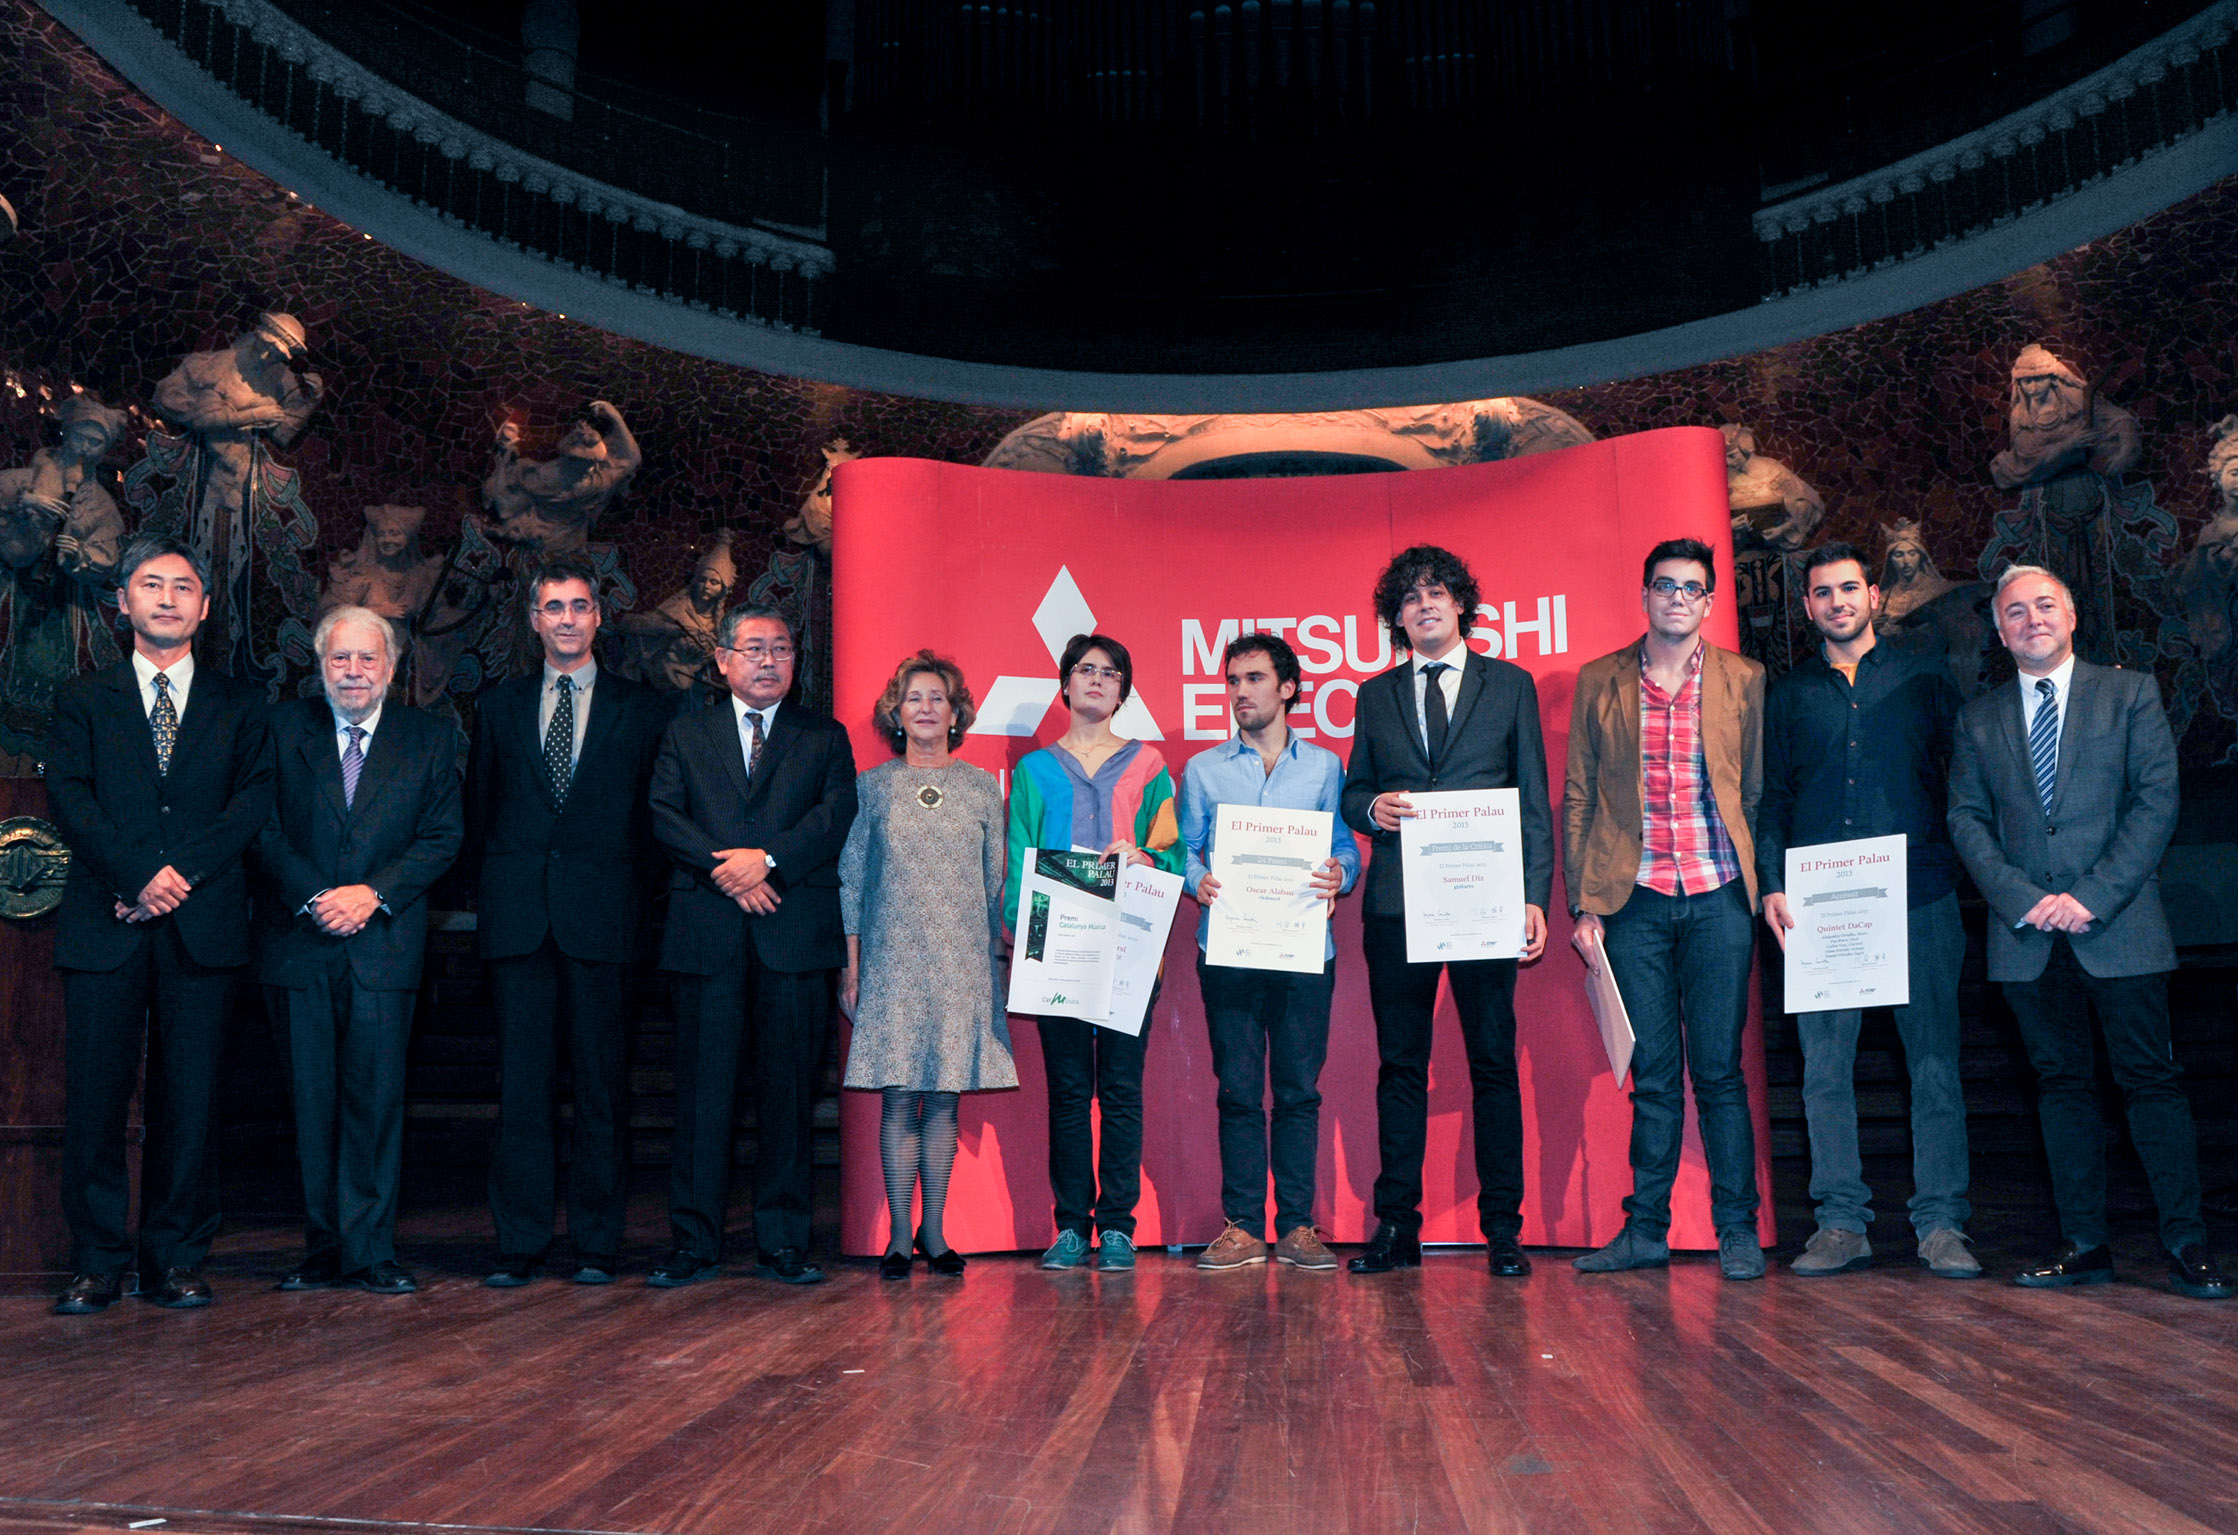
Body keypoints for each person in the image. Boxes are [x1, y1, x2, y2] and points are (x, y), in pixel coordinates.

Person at [1947, 565, 2230, 1300]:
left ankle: (2188, 1244)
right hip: (2027, 935)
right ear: (2000, 630)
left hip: (2122, 927)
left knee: (2152, 1084)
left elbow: (2155, 803)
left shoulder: (2129, 692)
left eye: (2045, 605)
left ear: (2071, 617)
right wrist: (2024, 898)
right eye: (2016, 611)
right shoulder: (1979, 718)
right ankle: (2084, 1243)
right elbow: (1966, 820)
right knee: (2061, 1088)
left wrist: (2089, 898)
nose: (2032, 619)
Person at [46, 535, 273, 1315]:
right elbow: (72, 801)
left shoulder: (242, 703)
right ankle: (98, 1260)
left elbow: (250, 803)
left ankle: (176, 1256)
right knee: (98, 1098)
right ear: (123, 602)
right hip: (104, 922)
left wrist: (174, 880)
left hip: (201, 927)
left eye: (183, 586)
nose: (168, 597)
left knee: (192, 1098)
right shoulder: (82, 699)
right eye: (152, 584)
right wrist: (135, 875)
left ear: (205, 607)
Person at [1758, 541, 1978, 1279]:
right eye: (1822, 593)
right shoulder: (1789, 696)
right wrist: (1770, 884)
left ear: (1874, 595)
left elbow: (1966, 778)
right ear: (1809, 605)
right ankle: (1840, 1222)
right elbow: (1773, 801)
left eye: (1849, 588)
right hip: (1820, 908)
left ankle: (1942, 1222)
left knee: (1936, 1064)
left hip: (1921, 897)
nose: (1837, 602)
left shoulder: (1926, 676)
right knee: (1824, 1069)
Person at [1338, 546, 1553, 1278]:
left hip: (1486, 902)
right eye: (1409, 598)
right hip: (1399, 905)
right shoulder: (1376, 695)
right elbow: (1351, 792)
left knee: (1492, 1063)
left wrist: (1533, 895)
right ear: (1395, 618)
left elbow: (1532, 800)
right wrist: (1373, 807)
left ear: (1462, 603)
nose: (1424, 604)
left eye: (1437, 592)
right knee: (1401, 1066)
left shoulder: (1512, 685)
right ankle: (1397, 1228)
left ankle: (1505, 1232)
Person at [1564, 537, 1767, 1281]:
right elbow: (1580, 794)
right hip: (1634, 901)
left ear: (1709, 601)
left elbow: (1753, 792)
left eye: (1691, 588)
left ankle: (1737, 1229)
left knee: (1718, 1072)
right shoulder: (1601, 679)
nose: (1677, 598)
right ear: (1645, 596)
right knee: (1653, 1076)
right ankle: (1645, 1229)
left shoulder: (1745, 679)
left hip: (1717, 899)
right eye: (1664, 586)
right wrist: (1584, 901)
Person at [467, 554, 668, 1287]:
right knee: (521, 1089)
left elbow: (653, 827)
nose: (568, 619)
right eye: (553, 607)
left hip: (605, 925)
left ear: (598, 617)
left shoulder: (643, 709)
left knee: (601, 1089)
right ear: (534, 619)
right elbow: (480, 815)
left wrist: (633, 910)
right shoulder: (495, 706)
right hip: (520, 926)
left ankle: (595, 1242)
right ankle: (519, 1240)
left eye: (580, 605)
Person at [648, 604, 858, 1286]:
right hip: (706, 938)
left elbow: (833, 817)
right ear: (722, 659)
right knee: (703, 1097)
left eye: (782, 649)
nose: (769, 661)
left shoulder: (823, 736)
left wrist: (766, 859)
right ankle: (694, 1243)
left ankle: (785, 1241)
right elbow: (662, 813)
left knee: (789, 1097)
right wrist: (727, 871)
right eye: (755, 649)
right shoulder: (686, 733)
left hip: (793, 938)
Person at [256, 606, 463, 1295]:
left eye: (367, 659)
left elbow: (442, 836)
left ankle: (371, 1248)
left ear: (392, 668)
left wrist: (371, 895)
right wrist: (317, 895)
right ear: (320, 667)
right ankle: (321, 1246)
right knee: (309, 1101)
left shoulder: (430, 737)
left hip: (383, 943)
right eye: (339, 659)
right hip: (300, 942)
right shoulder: (284, 730)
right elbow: (262, 827)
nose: (353, 671)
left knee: (375, 1100)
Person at [1003, 632, 1183, 1273]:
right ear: (1066, 685)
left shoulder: (1149, 765)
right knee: (1069, 1092)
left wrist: (1145, 857)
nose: (1097, 681)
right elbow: (1018, 861)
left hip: (1130, 948)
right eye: (1086, 670)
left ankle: (1118, 1228)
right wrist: (1023, 938)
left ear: (1124, 692)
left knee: (1123, 1090)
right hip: (1058, 949)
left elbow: (1175, 851)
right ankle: (1071, 1227)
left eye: (1111, 673)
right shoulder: (1033, 771)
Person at [1180, 633, 1357, 1272]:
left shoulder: (1325, 766)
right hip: (1227, 944)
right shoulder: (1202, 769)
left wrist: (1341, 871)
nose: (1239, 692)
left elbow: (1345, 843)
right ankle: (1243, 1227)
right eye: (1232, 681)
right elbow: (1186, 848)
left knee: (1299, 1090)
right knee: (1237, 1089)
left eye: (1253, 679)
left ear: (1286, 689)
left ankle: (1300, 1227)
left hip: (1305, 946)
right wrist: (1192, 877)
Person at [838, 652, 1014, 1281]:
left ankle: (935, 1234)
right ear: (897, 711)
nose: (926, 708)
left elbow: (997, 880)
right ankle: (896, 1238)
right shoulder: (870, 787)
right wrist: (852, 963)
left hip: (961, 959)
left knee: (942, 1101)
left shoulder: (978, 789)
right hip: (891, 960)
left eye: (937, 697)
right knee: (897, 1099)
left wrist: (999, 957)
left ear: (956, 711)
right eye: (914, 698)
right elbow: (851, 878)